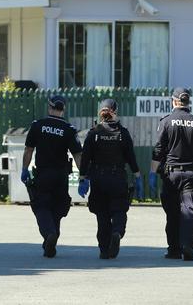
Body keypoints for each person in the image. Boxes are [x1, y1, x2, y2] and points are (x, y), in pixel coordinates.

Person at [149, 87, 193, 261]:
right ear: (187, 102)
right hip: (192, 174)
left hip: (171, 175)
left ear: (174, 101)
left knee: (173, 213)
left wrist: (153, 172)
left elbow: (159, 150)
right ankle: (188, 245)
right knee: (189, 211)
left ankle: (174, 249)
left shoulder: (166, 121)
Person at [77, 99, 142, 259]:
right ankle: (117, 232)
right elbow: (131, 158)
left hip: (98, 178)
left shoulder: (94, 133)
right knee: (119, 210)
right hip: (117, 178)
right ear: (115, 111)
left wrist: (83, 178)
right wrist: (137, 176)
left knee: (102, 214)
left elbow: (85, 158)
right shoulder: (122, 133)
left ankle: (104, 249)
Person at [21, 95, 83, 258]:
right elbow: (77, 155)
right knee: (57, 208)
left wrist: (24, 169)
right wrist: (83, 176)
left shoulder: (38, 125)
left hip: (43, 174)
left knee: (41, 206)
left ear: (49, 107)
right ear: (64, 110)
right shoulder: (69, 129)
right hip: (61, 176)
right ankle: (51, 240)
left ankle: (49, 234)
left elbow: (28, 149)